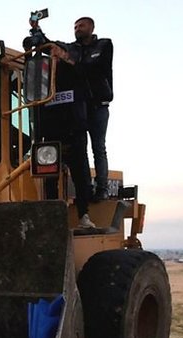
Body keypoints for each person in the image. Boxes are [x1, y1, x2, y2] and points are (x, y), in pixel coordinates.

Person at [29, 17, 98, 229]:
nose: (53, 56)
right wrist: (36, 31)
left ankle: (84, 215)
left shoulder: (74, 72)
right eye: (51, 53)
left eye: (55, 52)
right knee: (50, 177)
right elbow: (36, 105)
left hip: (74, 129)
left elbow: (85, 73)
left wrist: (66, 59)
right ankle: (53, 218)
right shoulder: (45, 81)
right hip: (52, 132)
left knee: (81, 174)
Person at [70, 17, 113, 202]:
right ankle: (86, 188)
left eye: (81, 26)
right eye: (75, 27)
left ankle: (102, 188)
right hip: (81, 106)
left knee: (98, 147)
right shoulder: (72, 48)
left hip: (99, 106)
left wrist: (74, 63)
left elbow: (96, 68)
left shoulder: (104, 45)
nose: (77, 29)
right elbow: (56, 46)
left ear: (91, 27)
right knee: (80, 149)